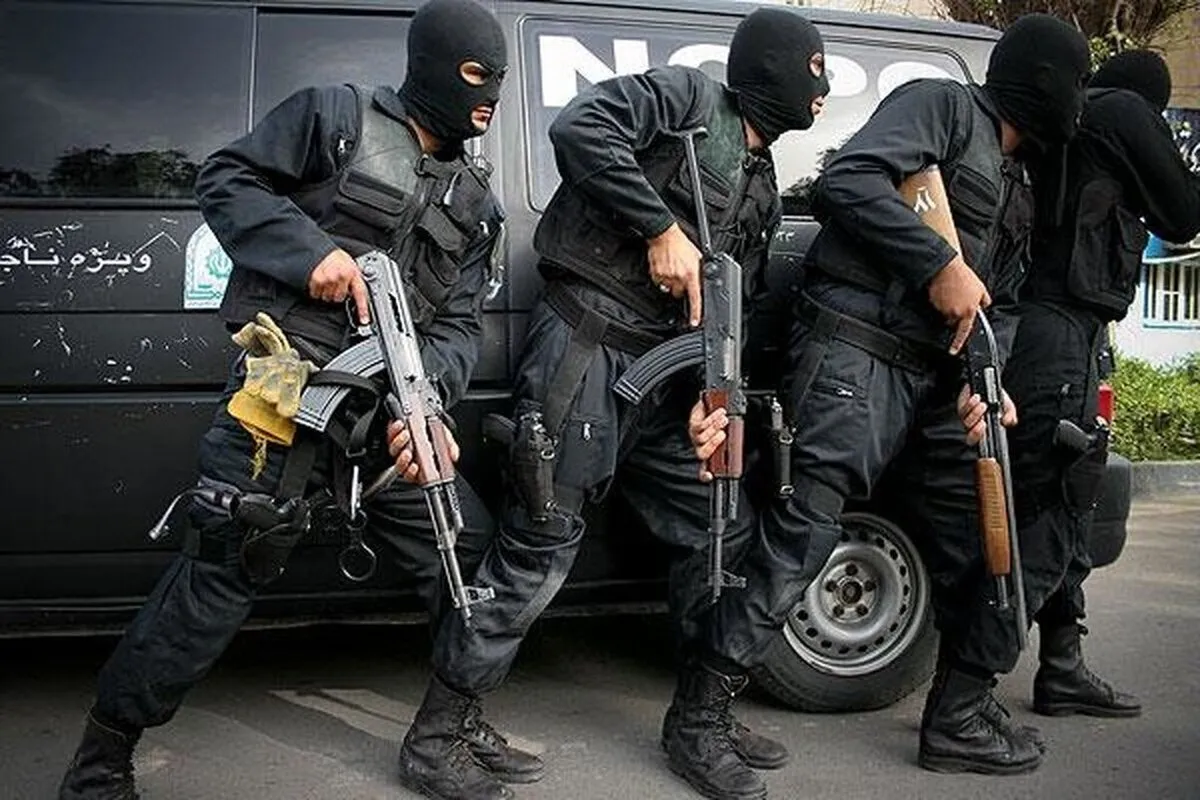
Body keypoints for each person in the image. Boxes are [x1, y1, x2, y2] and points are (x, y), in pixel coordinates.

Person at [56, 2, 539, 799]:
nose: (488, 95)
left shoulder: (475, 202)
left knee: (471, 555)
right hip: (284, 402)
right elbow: (226, 177)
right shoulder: (337, 119)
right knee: (218, 578)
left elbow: (458, 327)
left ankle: (445, 731)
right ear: (432, 65)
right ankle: (102, 761)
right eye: (475, 75)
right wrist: (309, 253)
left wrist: (427, 408)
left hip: (387, 420)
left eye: (501, 80)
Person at [397, 8, 829, 800]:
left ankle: (699, 722)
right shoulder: (687, 100)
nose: (821, 90)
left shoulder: (761, 182)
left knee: (719, 530)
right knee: (541, 541)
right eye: (811, 71)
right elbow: (581, 128)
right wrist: (660, 228)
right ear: (770, 70)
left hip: (667, 381)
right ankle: (439, 733)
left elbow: (727, 306)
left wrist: (708, 397)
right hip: (586, 349)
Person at [686, 13, 1091, 780]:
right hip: (856, 353)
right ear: (1043, 81)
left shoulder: (1021, 181)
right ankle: (699, 716)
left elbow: (997, 304)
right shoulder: (943, 107)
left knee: (983, 543)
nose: (1079, 101)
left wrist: (985, 385)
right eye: (1076, 82)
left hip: (936, 382)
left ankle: (959, 716)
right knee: (804, 538)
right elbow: (848, 181)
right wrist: (937, 263)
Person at [961, 49, 1200, 722]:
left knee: (1057, 500)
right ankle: (963, 698)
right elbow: (1184, 214)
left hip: (1036, 327)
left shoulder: (1067, 124)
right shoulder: (1124, 111)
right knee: (1052, 509)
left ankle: (1062, 665)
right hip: (1060, 332)